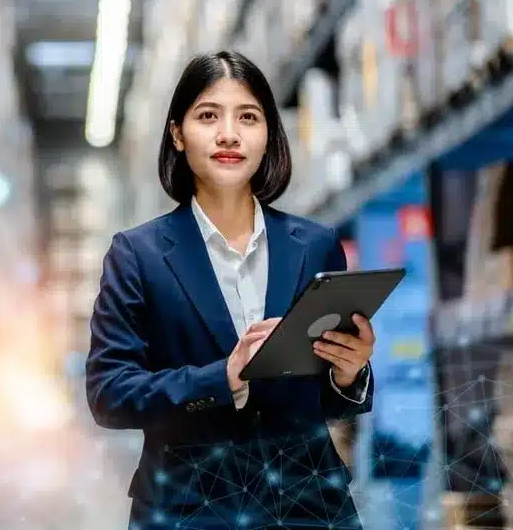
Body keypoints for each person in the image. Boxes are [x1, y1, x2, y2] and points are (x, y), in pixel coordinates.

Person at [85, 51, 376, 530]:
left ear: (268, 135)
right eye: (207, 116)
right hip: (188, 510)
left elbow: (323, 403)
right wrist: (224, 378)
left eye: (248, 117)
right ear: (178, 134)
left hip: (308, 509)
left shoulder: (315, 246)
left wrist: (348, 373)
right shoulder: (137, 255)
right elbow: (109, 394)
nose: (228, 134)